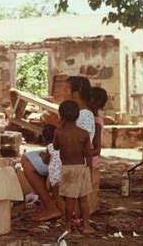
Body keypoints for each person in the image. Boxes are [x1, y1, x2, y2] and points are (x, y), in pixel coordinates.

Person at [21, 75, 94, 221]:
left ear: (76, 94)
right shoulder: (78, 112)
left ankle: (51, 207)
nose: (63, 92)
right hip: (62, 153)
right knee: (26, 158)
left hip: (67, 159)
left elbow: (72, 141)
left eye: (66, 90)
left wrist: (55, 124)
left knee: (28, 165)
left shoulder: (84, 115)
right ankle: (49, 203)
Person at [54, 100, 94, 234]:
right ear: (78, 116)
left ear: (61, 117)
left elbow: (55, 147)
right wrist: (91, 171)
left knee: (69, 201)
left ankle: (67, 226)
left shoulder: (58, 132)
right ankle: (86, 226)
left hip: (68, 170)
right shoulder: (84, 134)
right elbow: (88, 154)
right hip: (82, 168)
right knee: (84, 200)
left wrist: (59, 127)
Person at [39, 125, 62, 204]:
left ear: (44, 138)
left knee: (56, 195)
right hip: (65, 171)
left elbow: (46, 160)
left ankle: (58, 210)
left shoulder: (50, 147)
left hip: (55, 175)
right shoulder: (63, 143)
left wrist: (42, 155)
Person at [88, 87, 108, 166]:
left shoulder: (96, 122)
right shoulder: (90, 118)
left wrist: (80, 153)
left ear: (97, 102)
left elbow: (97, 150)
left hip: (91, 162)